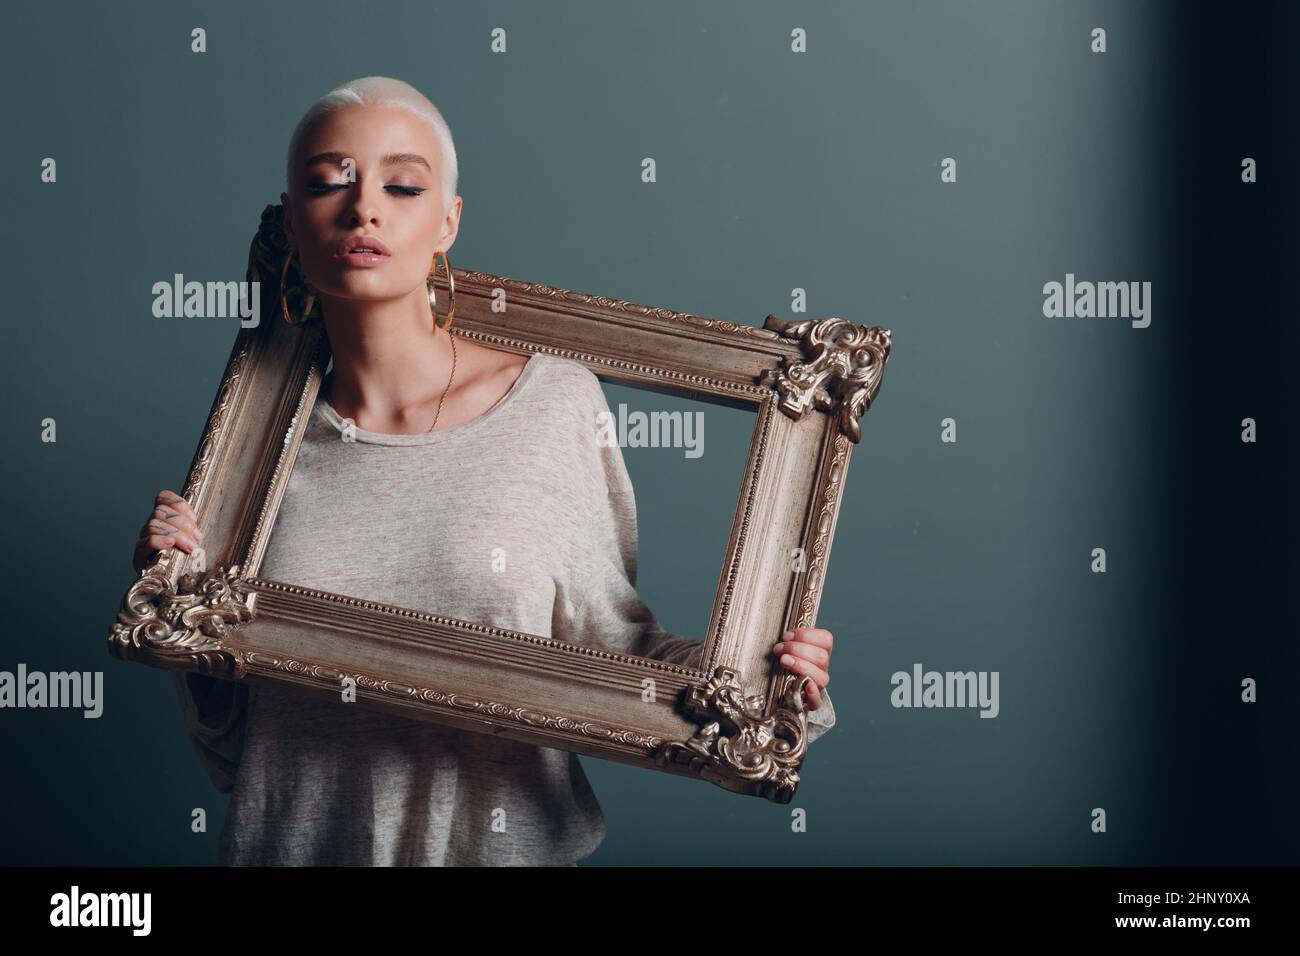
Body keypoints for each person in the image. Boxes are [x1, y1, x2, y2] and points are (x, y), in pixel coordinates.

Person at [132, 77, 836, 866]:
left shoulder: (553, 405)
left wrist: (765, 683)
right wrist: (178, 609)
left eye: (402, 185)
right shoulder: (252, 457)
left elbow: (616, 647)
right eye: (329, 181)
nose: (365, 208)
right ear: (292, 219)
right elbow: (233, 758)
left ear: (447, 223)